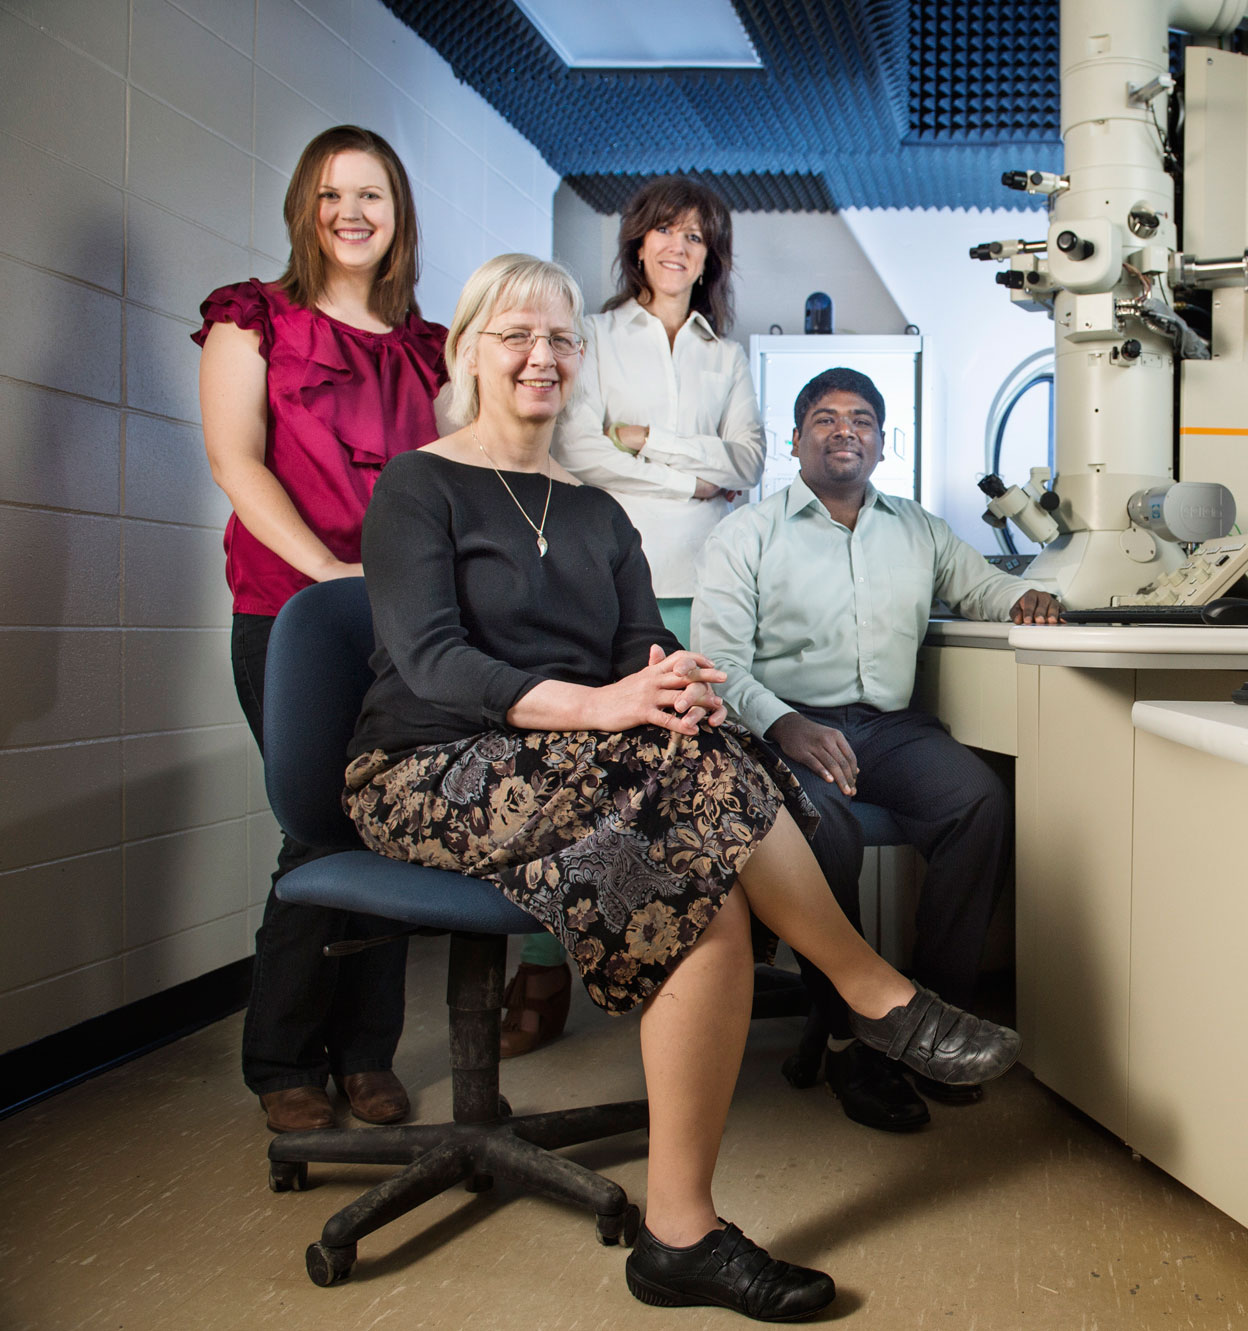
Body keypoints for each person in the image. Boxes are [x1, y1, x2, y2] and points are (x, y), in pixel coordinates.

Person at [347, 253, 1017, 1320]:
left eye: (562, 338)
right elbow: (433, 663)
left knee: (698, 862)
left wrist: (672, 683)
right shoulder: (418, 486)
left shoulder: (599, 515)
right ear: (465, 349)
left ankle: (680, 1232)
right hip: (432, 765)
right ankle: (866, 987)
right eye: (515, 333)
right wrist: (605, 703)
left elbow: (635, 646)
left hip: (570, 765)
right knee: (700, 785)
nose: (541, 355)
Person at [693, 368, 1061, 1133]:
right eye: (824, 418)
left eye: (861, 419)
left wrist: (1029, 598)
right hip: (786, 726)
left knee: (978, 803)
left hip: (889, 727)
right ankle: (845, 1037)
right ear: (795, 441)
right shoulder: (745, 534)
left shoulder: (918, 527)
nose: (844, 430)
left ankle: (929, 1021)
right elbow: (718, 664)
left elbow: (982, 586)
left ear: (881, 442)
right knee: (825, 829)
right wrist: (784, 724)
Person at [195, 125, 441, 1134]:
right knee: (316, 826)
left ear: (397, 216)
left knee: (396, 824)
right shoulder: (252, 320)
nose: (352, 212)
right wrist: (334, 572)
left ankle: (366, 1053)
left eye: (372, 195)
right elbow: (236, 463)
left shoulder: (430, 350)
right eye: (333, 194)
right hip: (292, 616)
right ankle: (282, 1059)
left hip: (407, 631)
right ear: (307, 207)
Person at [516, 178, 764, 1058]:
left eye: (696, 236)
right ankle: (543, 964)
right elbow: (578, 449)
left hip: (702, 585)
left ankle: (692, 952)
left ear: (711, 256)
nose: (679, 246)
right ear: (638, 243)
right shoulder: (594, 337)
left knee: (691, 764)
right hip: (605, 579)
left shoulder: (725, 358)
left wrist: (643, 444)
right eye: (665, 230)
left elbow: (748, 461)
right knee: (585, 765)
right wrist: (694, 475)